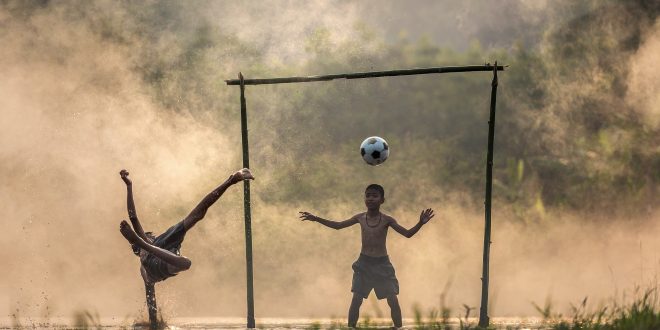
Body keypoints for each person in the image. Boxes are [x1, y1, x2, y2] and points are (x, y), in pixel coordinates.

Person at [299, 184, 434, 328]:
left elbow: (407, 234)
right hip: (364, 264)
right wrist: (316, 218)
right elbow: (338, 225)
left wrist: (420, 223)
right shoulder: (360, 217)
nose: (370, 199)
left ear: (382, 200)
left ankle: (398, 327)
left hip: (382, 264)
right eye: (368, 195)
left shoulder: (388, 220)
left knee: (392, 299)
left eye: (374, 196)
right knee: (356, 299)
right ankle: (351, 327)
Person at [118, 168, 254, 284]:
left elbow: (134, 218)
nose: (152, 235)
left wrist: (129, 186)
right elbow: (133, 217)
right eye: (150, 235)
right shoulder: (146, 256)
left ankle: (231, 180)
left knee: (195, 217)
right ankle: (230, 181)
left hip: (160, 253)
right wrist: (129, 187)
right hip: (154, 264)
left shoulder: (162, 241)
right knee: (184, 261)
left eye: (150, 236)